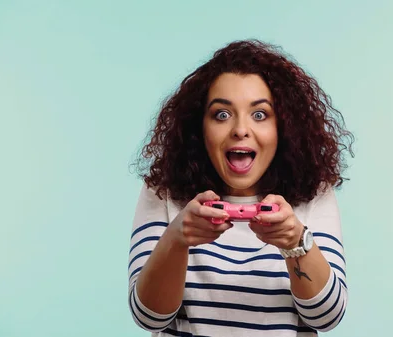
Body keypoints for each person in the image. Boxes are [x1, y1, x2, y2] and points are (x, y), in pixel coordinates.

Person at [128, 39, 355, 336]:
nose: (240, 129)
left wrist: (295, 240)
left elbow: (327, 318)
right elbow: (149, 319)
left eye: (259, 114)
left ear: (283, 127)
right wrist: (176, 239)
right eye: (222, 114)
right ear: (199, 127)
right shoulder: (164, 192)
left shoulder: (313, 194)